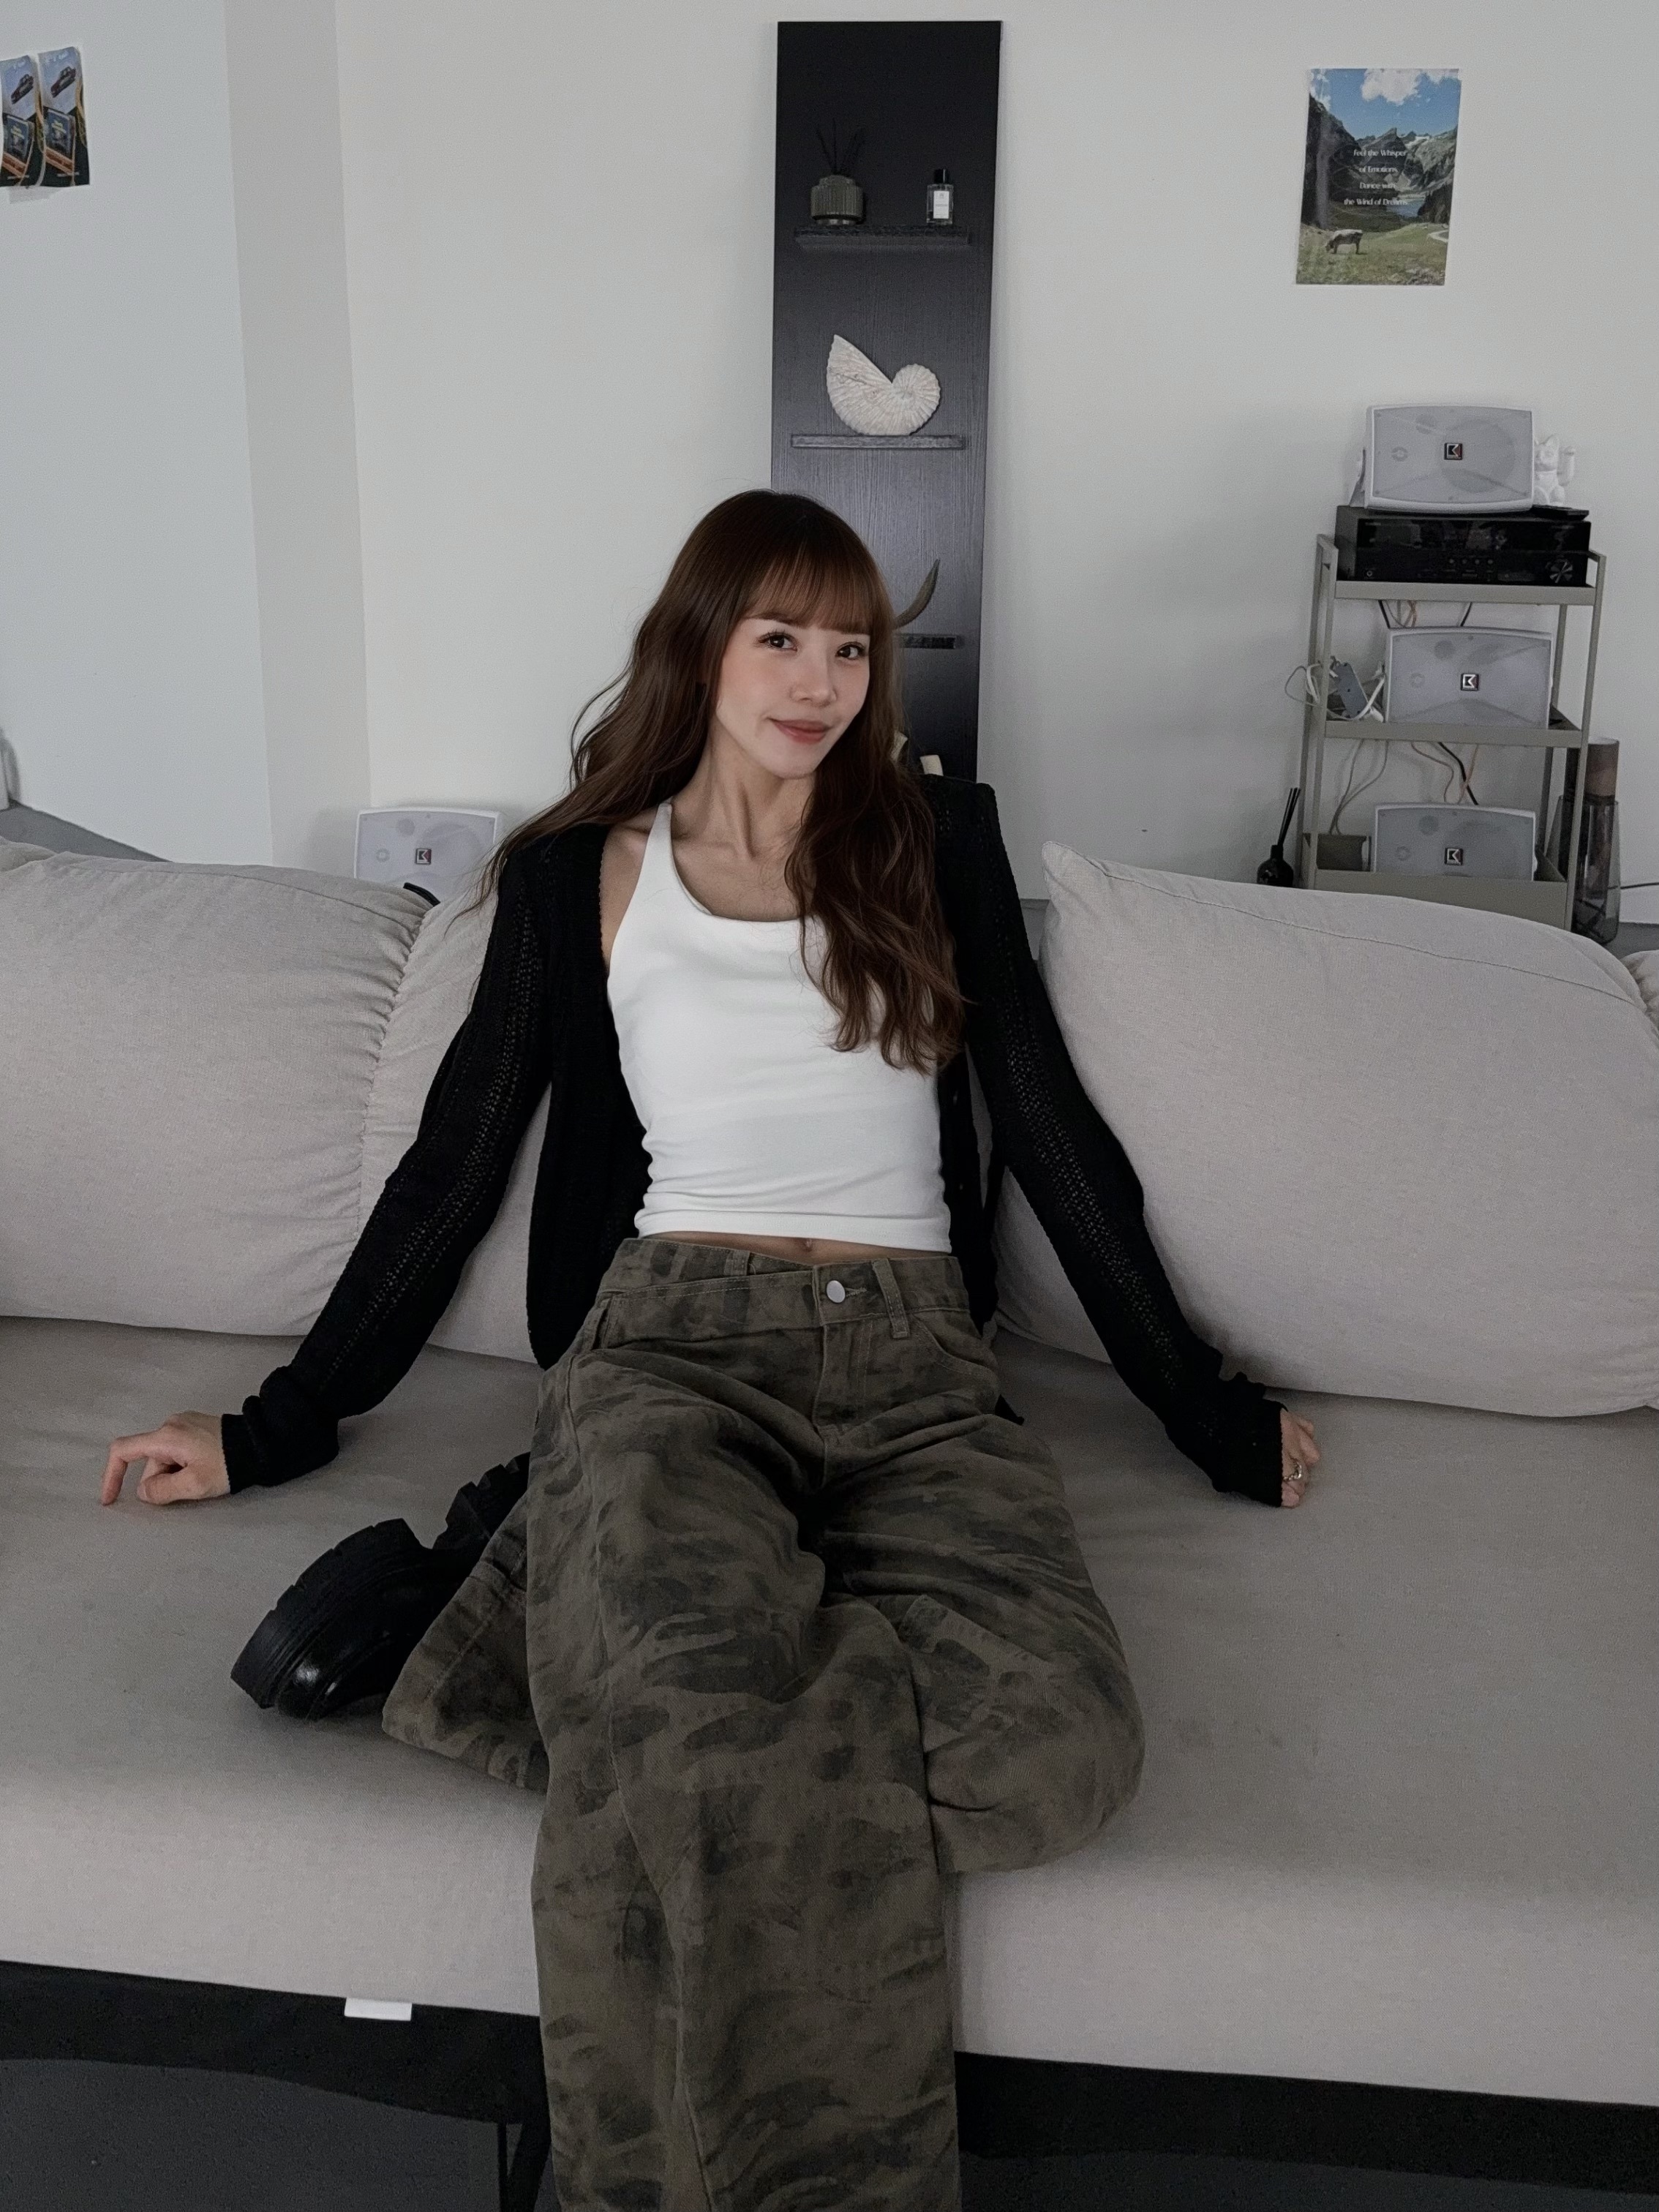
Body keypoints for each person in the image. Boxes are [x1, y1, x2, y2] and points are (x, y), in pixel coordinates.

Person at [102, 490, 1320, 2211]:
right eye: (781, 640)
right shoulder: (577, 872)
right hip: (669, 1353)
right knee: (691, 1716)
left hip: (918, 1378)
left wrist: (1203, 1406)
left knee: (1049, 1752)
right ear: (701, 647)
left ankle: (523, 1621)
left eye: (853, 648)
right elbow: (457, 1160)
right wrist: (273, 1424)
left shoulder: (933, 840)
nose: (821, 681)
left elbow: (1046, 1121)